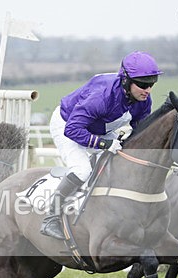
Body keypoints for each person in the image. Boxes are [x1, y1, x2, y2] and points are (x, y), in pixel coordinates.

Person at [40, 51, 162, 239]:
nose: (147, 90)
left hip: (100, 127)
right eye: (143, 85)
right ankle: (50, 217)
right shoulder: (101, 97)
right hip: (68, 124)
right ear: (125, 81)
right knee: (82, 170)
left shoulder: (143, 101)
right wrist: (104, 143)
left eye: (152, 84)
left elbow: (139, 131)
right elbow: (72, 130)